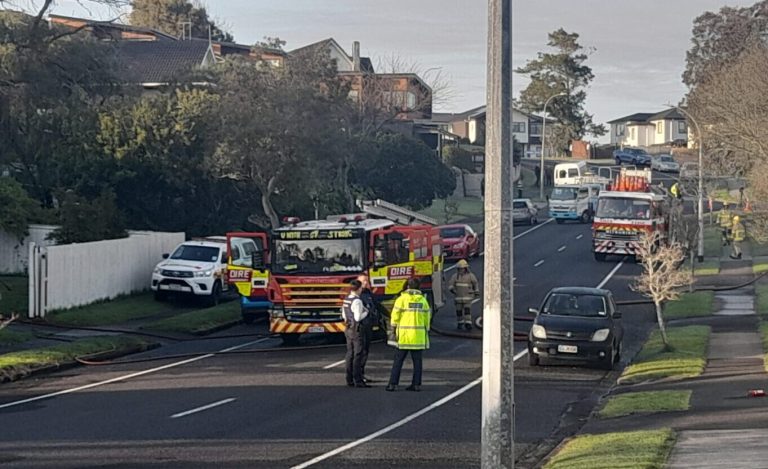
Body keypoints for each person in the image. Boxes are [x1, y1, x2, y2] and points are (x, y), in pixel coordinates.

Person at [386, 278, 431, 392]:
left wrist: (393, 329)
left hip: (404, 336)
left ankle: (393, 384)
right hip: (418, 337)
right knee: (417, 362)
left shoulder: (402, 299)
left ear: (407, 286)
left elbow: (395, 316)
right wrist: (426, 330)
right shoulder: (422, 301)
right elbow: (427, 318)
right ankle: (416, 385)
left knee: (398, 361)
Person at [341, 279, 370, 388]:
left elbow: (344, 315)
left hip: (348, 328)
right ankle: (358, 379)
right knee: (358, 354)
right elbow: (358, 317)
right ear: (359, 289)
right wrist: (366, 312)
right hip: (357, 329)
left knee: (350, 353)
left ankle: (349, 379)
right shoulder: (357, 301)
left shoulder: (347, 299)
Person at [357, 274, 380, 382]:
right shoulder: (358, 295)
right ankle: (358, 375)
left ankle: (362, 374)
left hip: (369, 325)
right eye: (363, 281)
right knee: (360, 351)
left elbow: (377, 305)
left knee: (366, 350)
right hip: (360, 327)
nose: (366, 283)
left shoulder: (368, 293)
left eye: (367, 281)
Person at [448, 259, 480, 330]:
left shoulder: (470, 276)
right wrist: (452, 290)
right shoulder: (455, 276)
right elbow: (450, 284)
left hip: (467, 297)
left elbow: (475, 283)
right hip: (458, 298)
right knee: (458, 311)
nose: (460, 270)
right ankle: (460, 323)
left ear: (465, 268)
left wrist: (476, 291)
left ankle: (468, 324)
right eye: (459, 269)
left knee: (467, 311)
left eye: (461, 269)